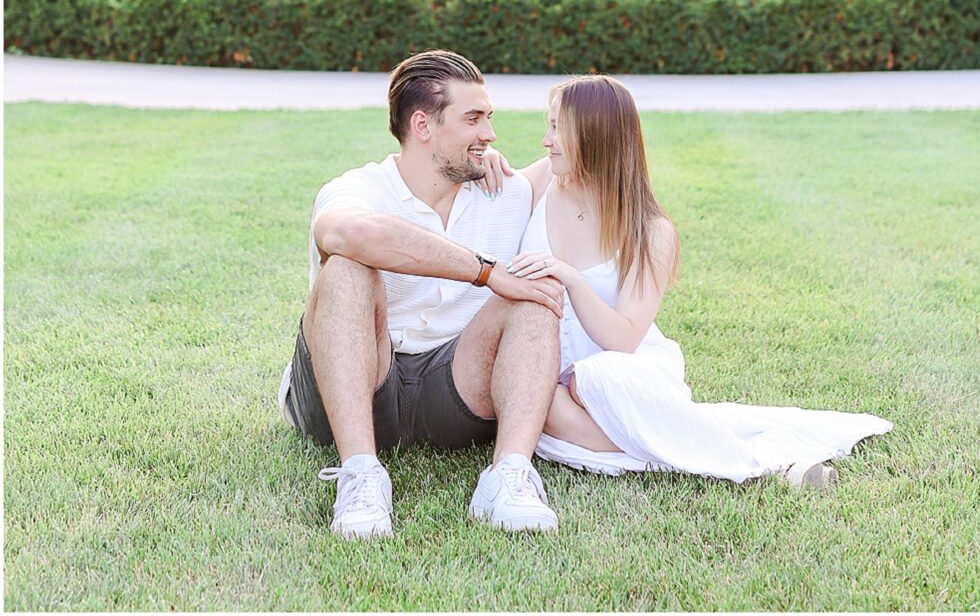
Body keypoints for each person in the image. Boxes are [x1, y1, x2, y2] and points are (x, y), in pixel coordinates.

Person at [486, 74, 892, 486]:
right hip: (548, 370)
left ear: (595, 135)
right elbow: (495, 186)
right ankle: (700, 454)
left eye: (557, 127)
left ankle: (752, 462)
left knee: (595, 378)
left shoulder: (651, 232)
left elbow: (624, 340)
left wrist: (571, 279)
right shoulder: (542, 180)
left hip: (621, 373)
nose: (545, 139)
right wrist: (488, 163)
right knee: (542, 403)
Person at [278, 50, 565, 539]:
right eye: (473, 119)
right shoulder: (358, 189)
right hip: (358, 383)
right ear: (423, 126)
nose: (490, 134)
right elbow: (348, 234)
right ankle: (361, 475)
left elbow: (584, 158)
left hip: (453, 387)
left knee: (535, 295)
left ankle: (508, 477)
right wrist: (485, 272)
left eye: (488, 119)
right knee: (347, 269)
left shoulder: (507, 192)